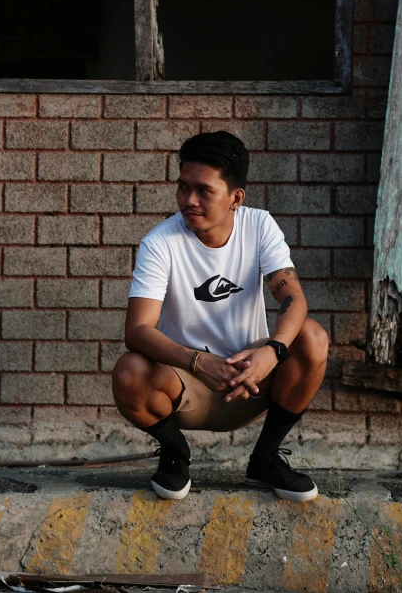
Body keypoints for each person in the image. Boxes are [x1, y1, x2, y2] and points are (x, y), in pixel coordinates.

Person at [112, 131, 329, 502]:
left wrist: (270, 353)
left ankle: (265, 459)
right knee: (130, 370)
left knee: (311, 337)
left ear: (235, 198)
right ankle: (175, 453)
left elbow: (294, 301)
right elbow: (137, 330)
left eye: (203, 190)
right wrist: (199, 362)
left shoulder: (258, 226)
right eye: (183, 187)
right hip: (185, 387)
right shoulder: (160, 242)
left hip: (253, 381)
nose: (188, 200)